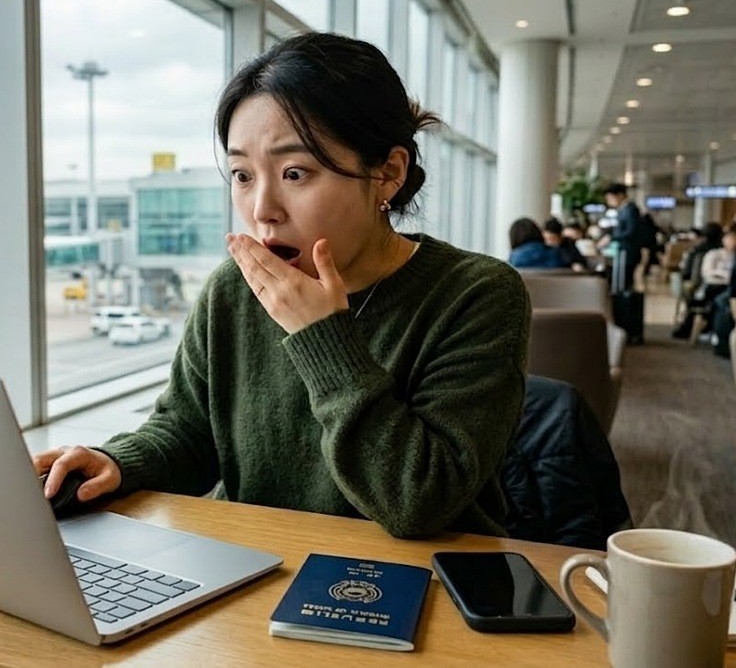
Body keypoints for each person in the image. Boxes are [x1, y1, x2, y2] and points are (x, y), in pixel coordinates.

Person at [34, 33, 530, 539]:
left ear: (387, 173)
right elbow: (188, 432)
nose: (262, 209)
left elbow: (418, 501)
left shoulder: (477, 294)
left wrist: (322, 335)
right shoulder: (235, 288)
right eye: (242, 175)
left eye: (295, 172)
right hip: (257, 569)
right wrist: (115, 461)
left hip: (417, 586)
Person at [603, 183, 641, 290]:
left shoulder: (631, 210)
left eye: (610, 198)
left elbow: (630, 231)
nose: (609, 201)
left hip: (628, 253)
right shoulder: (622, 210)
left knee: (625, 282)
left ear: (620, 195)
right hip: (622, 251)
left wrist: (611, 237)